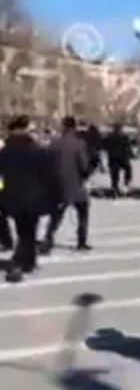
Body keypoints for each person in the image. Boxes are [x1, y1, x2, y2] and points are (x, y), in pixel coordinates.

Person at [0, 115, 57, 282]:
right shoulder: (38, 150)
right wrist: (52, 196)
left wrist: (2, 194)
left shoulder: (4, 153)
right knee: (30, 230)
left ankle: (25, 260)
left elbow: (0, 178)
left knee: (21, 229)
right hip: (35, 198)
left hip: (13, 198)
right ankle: (26, 261)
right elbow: (49, 176)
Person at [43, 116, 92, 253]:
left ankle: (48, 239)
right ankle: (81, 241)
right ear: (74, 127)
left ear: (63, 127)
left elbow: (47, 164)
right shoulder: (79, 144)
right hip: (76, 186)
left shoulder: (54, 144)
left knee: (56, 216)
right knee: (83, 213)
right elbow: (83, 166)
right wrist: (86, 175)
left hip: (57, 186)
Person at [103, 123, 133, 196]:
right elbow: (128, 146)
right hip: (123, 158)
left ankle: (114, 187)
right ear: (120, 129)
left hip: (113, 158)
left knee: (114, 174)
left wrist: (109, 151)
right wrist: (131, 154)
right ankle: (126, 184)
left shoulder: (109, 137)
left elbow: (104, 146)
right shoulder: (124, 137)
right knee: (128, 169)